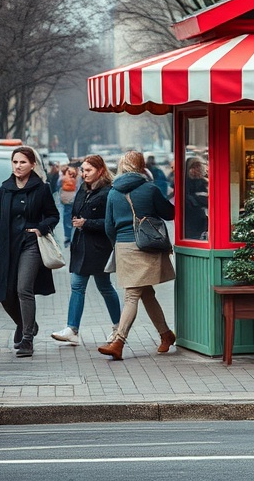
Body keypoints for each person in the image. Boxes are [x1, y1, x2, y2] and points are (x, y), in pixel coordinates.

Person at [0, 146, 60, 358]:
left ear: (32, 164)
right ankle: (25, 323)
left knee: (23, 288)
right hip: (6, 246)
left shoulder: (41, 189)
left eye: (22, 162)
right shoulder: (4, 189)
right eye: (15, 162)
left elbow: (53, 215)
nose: (18, 166)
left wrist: (40, 228)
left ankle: (27, 339)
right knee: (5, 294)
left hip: (30, 244)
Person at [98, 150, 176, 361]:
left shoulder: (113, 192)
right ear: (142, 167)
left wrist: (117, 245)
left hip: (123, 246)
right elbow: (169, 213)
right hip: (146, 245)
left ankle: (119, 341)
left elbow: (109, 226)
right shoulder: (150, 189)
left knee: (136, 294)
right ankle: (164, 335)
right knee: (142, 294)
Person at [51, 155, 121, 346]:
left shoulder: (109, 192)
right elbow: (75, 210)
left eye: (88, 170)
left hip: (99, 247)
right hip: (81, 244)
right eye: (83, 170)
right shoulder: (83, 188)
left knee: (103, 287)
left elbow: (111, 222)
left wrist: (87, 223)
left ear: (100, 170)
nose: (84, 173)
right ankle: (73, 329)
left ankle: (118, 328)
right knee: (81, 286)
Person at [183, 157, 209, 240]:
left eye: (198, 166)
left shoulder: (203, 181)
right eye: (193, 167)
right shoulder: (184, 182)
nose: (196, 169)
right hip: (189, 218)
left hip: (201, 218)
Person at [59, 165, 78, 246]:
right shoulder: (77, 178)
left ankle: (68, 236)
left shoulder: (63, 178)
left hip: (66, 200)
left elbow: (58, 185)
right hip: (74, 199)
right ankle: (72, 235)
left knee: (67, 217)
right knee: (73, 217)